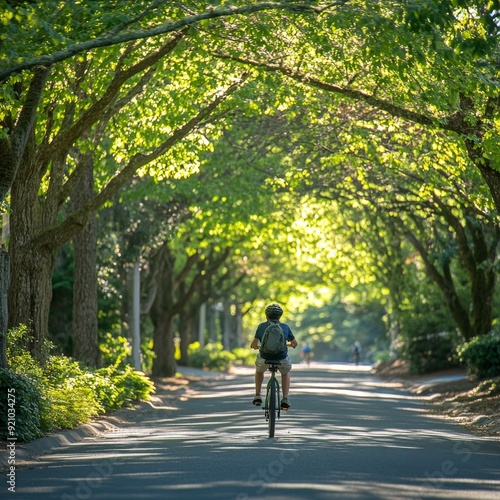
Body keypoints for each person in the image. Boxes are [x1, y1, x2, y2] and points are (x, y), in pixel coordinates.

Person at [250, 303, 298, 410]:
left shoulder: (261, 326)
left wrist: (257, 346)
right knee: (285, 372)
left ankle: (257, 394)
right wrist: (288, 345)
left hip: (264, 357)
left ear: (266, 316)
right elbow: (295, 343)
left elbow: (253, 344)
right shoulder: (285, 327)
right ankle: (285, 398)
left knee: (259, 370)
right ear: (280, 316)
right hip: (281, 358)